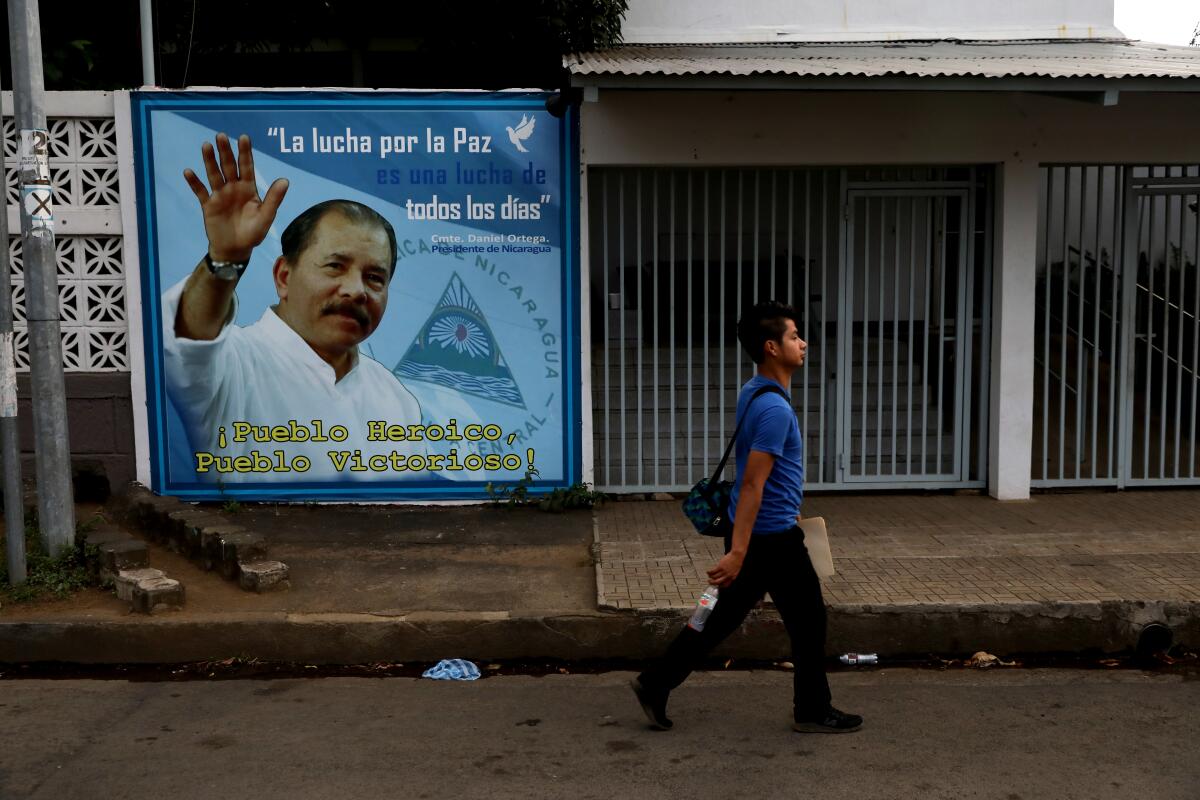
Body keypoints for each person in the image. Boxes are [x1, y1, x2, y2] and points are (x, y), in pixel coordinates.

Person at [631, 301, 862, 734]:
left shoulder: (754, 389)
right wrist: (738, 552)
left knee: (720, 617)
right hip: (770, 538)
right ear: (772, 347)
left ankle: (655, 682)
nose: (804, 343)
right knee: (809, 622)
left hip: (759, 532)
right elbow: (754, 483)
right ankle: (812, 711)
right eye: (795, 336)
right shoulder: (774, 409)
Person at [163, 132, 422, 482]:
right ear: (284, 276)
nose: (356, 290)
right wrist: (225, 259)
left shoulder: (396, 400)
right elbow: (187, 337)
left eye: (375, 277)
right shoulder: (232, 364)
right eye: (335, 266)